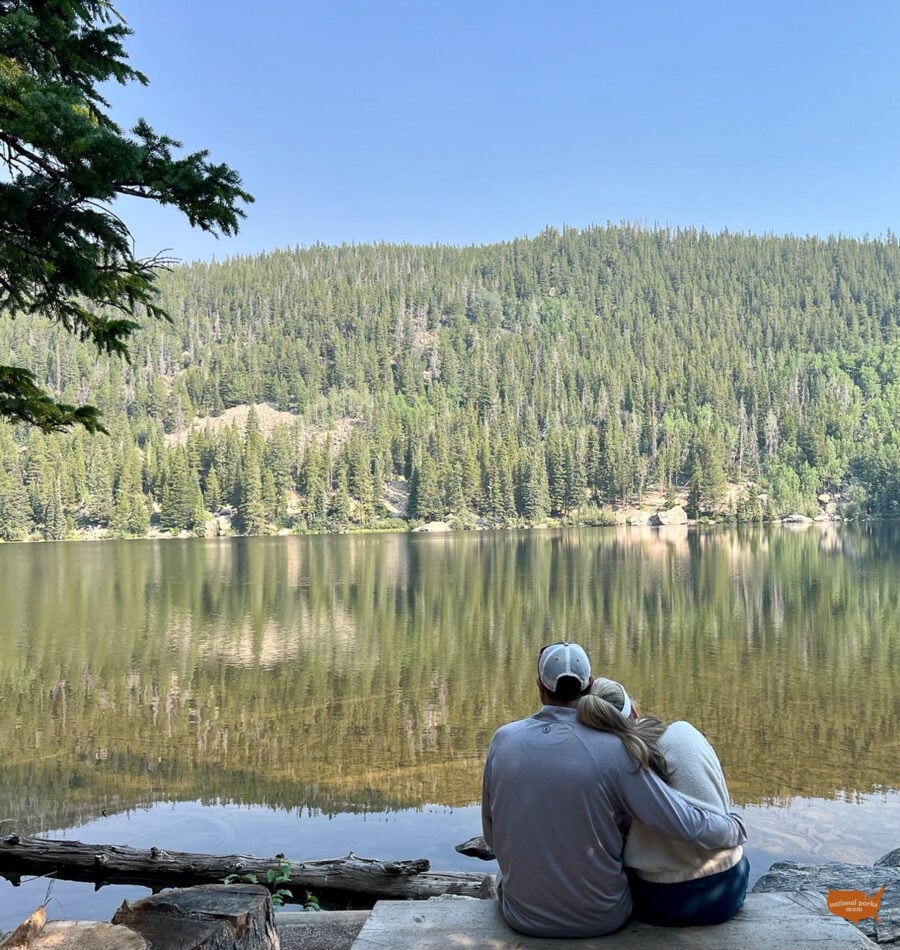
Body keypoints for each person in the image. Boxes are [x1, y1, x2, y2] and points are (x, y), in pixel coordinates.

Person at [481, 641, 747, 938]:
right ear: (590, 685)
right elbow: (683, 822)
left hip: (523, 919)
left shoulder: (502, 740)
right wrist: (734, 828)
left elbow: (493, 837)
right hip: (602, 919)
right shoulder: (615, 751)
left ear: (539, 686)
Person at [578, 677, 749, 926]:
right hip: (728, 887)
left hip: (662, 901)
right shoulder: (684, 732)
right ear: (634, 711)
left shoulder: (613, 767)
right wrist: (735, 826)